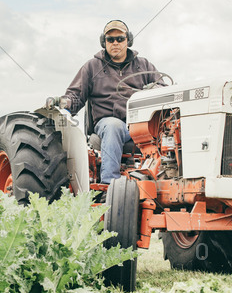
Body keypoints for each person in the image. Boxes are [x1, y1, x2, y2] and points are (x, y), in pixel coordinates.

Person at [46, 20, 163, 184]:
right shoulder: (92, 67)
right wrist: (63, 103)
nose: (115, 43)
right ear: (104, 42)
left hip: (139, 124)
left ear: (128, 40)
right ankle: (110, 184)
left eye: (120, 39)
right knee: (113, 126)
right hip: (107, 124)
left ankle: (167, 179)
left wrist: (155, 89)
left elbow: (162, 87)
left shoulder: (143, 65)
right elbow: (75, 95)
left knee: (169, 129)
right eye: (110, 39)